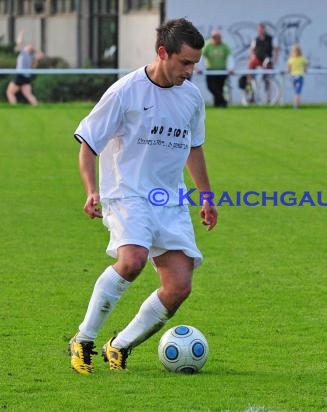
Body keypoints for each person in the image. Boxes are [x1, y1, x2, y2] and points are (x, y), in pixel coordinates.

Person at [68, 18, 218, 375]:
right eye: (185, 62)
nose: (191, 70)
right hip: (127, 193)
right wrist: (92, 190)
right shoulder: (125, 91)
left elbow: (194, 147)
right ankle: (83, 339)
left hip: (169, 200)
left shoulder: (191, 97)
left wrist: (207, 197)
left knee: (179, 286)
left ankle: (119, 346)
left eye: (195, 63)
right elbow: (88, 144)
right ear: (162, 53)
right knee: (132, 260)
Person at [6, 30, 44, 106]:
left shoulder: (24, 53)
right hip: (26, 77)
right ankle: (37, 106)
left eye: (27, 46)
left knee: (10, 92)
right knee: (28, 94)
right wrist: (35, 49)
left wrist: (21, 33)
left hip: (20, 76)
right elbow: (42, 55)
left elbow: (19, 42)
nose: (26, 46)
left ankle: (14, 107)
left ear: (28, 49)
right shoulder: (32, 57)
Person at [248, 23, 280, 103]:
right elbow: (251, 50)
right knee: (249, 72)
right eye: (259, 30)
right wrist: (251, 57)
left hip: (266, 60)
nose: (261, 31)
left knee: (267, 79)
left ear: (265, 30)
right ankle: (251, 94)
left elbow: (276, 49)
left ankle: (268, 98)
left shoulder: (271, 39)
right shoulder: (255, 40)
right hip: (257, 59)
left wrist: (275, 59)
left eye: (262, 29)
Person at [202, 29, 234, 107]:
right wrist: (198, 68)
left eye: (219, 37)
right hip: (210, 70)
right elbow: (201, 56)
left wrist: (231, 68)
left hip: (222, 71)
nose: (217, 38)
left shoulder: (225, 46)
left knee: (219, 88)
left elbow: (230, 57)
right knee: (211, 87)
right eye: (215, 37)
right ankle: (223, 101)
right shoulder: (207, 45)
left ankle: (218, 104)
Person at [287, 44, 308, 109]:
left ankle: (296, 104)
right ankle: (296, 105)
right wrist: (305, 70)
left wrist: (289, 72)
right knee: (297, 92)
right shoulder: (302, 58)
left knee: (296, 91)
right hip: (299, 76)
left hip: (293, 76)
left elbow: (289, 69)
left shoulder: (291, 59)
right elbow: (305, 66)